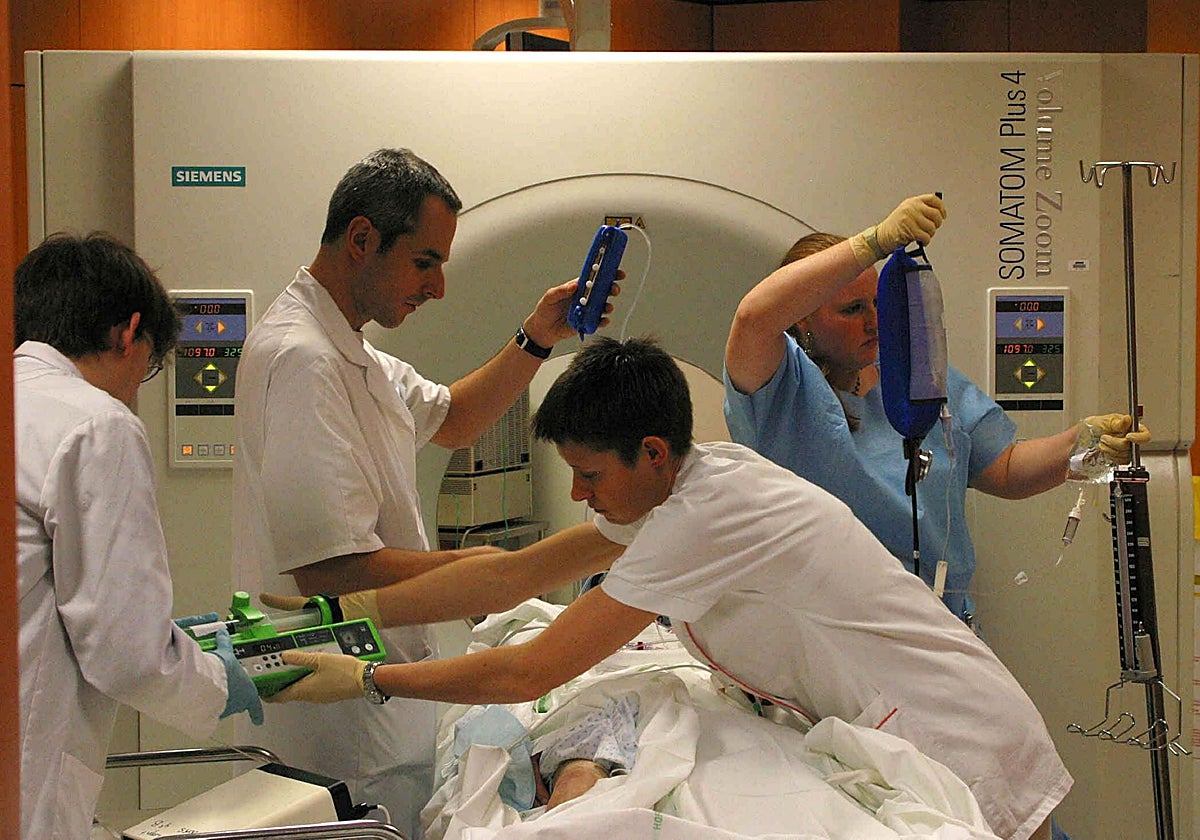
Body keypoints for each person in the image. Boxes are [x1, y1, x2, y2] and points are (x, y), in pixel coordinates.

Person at [264, 337, 1072, 840]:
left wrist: (368, 679)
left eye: (588, 475)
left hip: (956, 735)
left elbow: (528, 672)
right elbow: (514, 573)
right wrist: (344, 609)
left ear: (652, 452)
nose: (579, 495)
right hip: (903, 721)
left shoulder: (701, 517)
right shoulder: (688, 484)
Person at [231, 147, 619, 836]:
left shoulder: (354, 353)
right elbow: (332, 574)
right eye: (425, 261)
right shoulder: (302, 360)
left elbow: (457, 418)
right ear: (361, 239)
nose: (438, 287)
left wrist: (538, 336)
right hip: (336, 728)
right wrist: (493, 572)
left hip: (381, 706)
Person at [723, 194, 1149, 622]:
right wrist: (872, 243)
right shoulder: (779, 390)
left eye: (877, 303)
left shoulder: (915, 374)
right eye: (852, 309)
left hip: (941, 619)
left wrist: (1085, 443)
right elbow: (752, 319)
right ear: (802, 319)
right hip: (833, 630)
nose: (874, 320)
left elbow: (1004, 469)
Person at [15, 232, 263, 840]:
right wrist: (215, 682)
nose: (135, 388)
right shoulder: (96, 424)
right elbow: (127, 655)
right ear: (128, 333)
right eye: (151, 367)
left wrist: (173, 641)